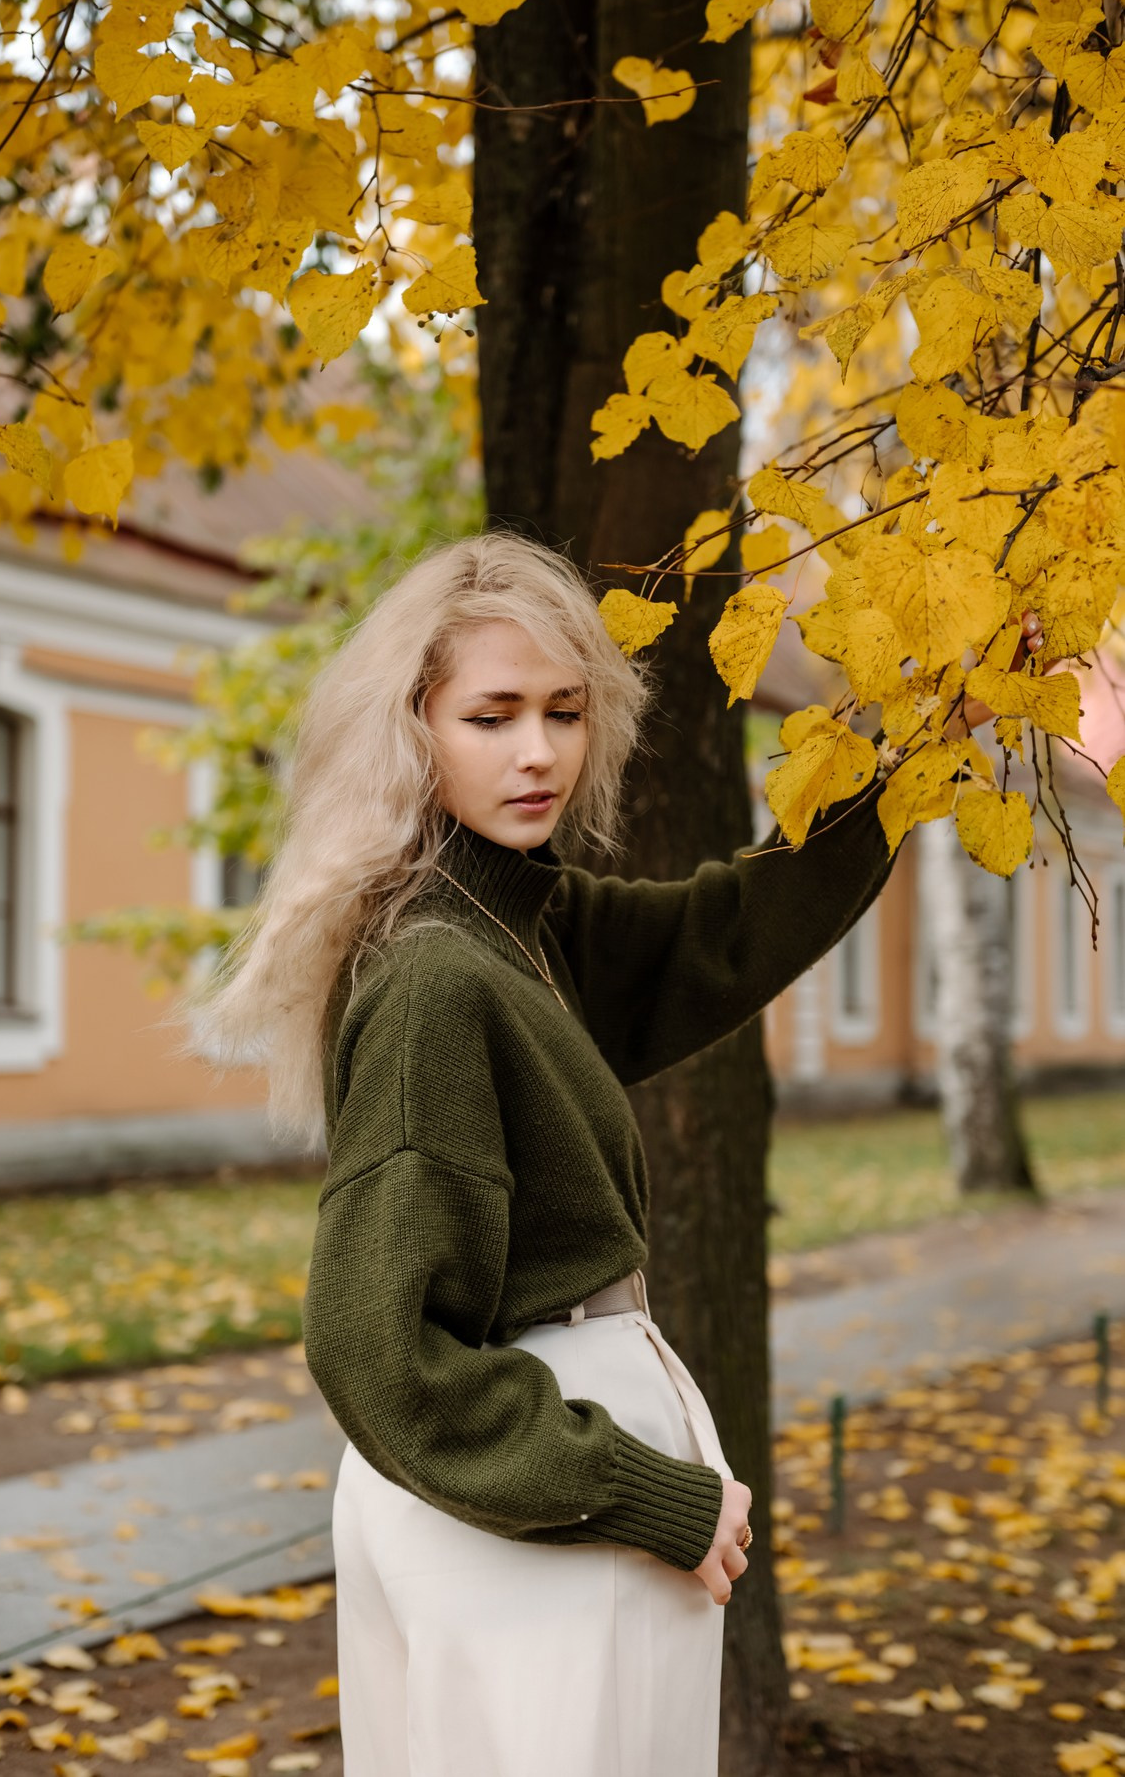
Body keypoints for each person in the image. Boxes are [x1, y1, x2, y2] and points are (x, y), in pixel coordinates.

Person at [197, 529, 1047, 1777]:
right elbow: (379, 1351)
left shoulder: (518, 927)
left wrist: (920, 733)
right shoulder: (440, 974)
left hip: (537, 1505)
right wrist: (649, 1490)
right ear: (412, 729)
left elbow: (728, 928)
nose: (537, 751)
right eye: (491, 716)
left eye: (563, 710)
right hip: (537, 1509)